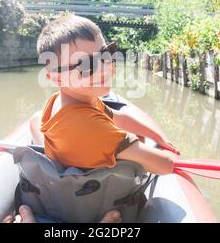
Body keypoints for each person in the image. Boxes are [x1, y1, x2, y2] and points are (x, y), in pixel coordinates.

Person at [15, 15, 178, 223]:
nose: (103, 67)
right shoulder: (93, 129)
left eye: (106, 54)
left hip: (63, 193)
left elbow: (118, 117)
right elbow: (165, 166)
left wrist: (159, 137)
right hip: (96, 207)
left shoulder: (62, 101)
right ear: (56, 78)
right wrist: (162, 151)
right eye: (85, 65)